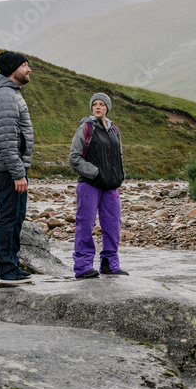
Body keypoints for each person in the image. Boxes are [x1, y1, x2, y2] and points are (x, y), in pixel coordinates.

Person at [0, 51, 35, 286]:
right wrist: (18, 173)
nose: (29, 70)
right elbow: (5, 139)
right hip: (8, 169)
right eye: (25, 65)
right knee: (7, 217)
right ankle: (5, 270)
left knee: (16, 216)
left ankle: (12, 265)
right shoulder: (5, 95)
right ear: (14, 69)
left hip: (13, 167)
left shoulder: (10, 93)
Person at [69, 92, 128, 278]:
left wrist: (120, 175)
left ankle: (110, 264)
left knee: (112, 225)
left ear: (107, 108)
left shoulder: (114, 130)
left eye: (102, 104)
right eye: (95, 104)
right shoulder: (85, 128)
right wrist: (95, 173)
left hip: (110, 186)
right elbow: (74, 158)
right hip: (89, 185)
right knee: (85, 224)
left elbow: (118, 156)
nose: (98, 107)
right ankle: (83, 267)